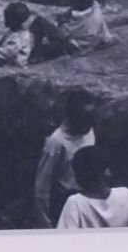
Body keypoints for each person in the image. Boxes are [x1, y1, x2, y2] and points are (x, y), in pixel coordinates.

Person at [34, 93, 99, 226]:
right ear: (73, 117)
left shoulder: (88, 131)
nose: (90, 122)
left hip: (89, 195)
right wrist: (45, 221)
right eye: (85, 117)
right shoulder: (56, 142)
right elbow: (42, 187)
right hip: (65, 200)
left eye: (91, 117)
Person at [57, 146, 128, 229]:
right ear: (107, 172)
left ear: (77, 175)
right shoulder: (125, 194)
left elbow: (64, 238)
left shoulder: (75, 203)